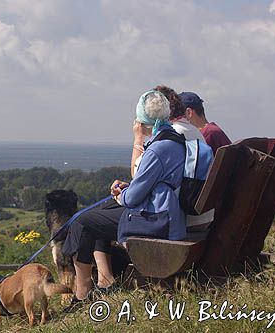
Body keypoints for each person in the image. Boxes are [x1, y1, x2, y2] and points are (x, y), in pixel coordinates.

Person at [62, 90, 186, 312]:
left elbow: (133, 198)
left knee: (82, 222)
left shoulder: (157, 149)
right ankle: (101, 282)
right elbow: (154, 182)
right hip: (167, 213)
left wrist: (122, 193)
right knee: (93, 217)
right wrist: (131, 188)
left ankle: (82, 294)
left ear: (143, 120)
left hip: (155, 219)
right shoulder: (175, 141)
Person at [155, 86, 214, 231]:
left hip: (183, 219)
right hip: (203, 214)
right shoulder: (196, 133)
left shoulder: (172, 134)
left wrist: (138, 139)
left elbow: (140, 179)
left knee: (93, 220)